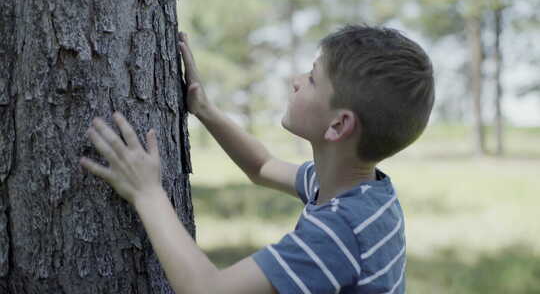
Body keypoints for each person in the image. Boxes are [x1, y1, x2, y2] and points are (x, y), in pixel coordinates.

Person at [80, 24, 434, 293]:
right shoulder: (362, 193)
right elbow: (262, 166)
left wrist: (147, 193)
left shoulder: (340, 234)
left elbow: (206, 289)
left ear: (338, 125)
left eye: (311, 79)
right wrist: (205, 110)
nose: (296, 81)